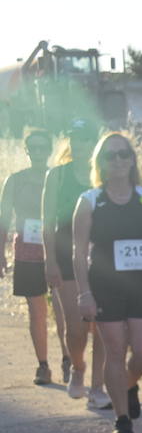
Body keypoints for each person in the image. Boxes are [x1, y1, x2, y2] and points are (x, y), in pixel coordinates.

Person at [71, 133, 142, 433]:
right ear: (100, 163)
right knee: (114, 351)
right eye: (110, 155)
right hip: (105, 287)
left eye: (123, 154)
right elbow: (77, 252)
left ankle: (128, 385)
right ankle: (122, 419)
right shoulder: (89, 200)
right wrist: (84, 293)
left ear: (132, 159)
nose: (117, 160)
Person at [43, 118, 108, 406]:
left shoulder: (105, 177)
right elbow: (47, 222)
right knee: (76, 327)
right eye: (75, 139)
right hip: (65, 257)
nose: (80, 145)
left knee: (104, 326)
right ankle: (78, 369)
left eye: (85, 139)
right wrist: (50, 262)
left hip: (102, 261)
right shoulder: (57, 176)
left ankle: (97, 388)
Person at [0, 128, 62, 384]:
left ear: (49, 150)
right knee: (36, 309)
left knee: (61, 307)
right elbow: (3, 219)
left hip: (57, 249)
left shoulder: (58, 178)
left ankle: (70, 358)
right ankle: (43, 365)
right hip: (27, 249)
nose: (37, 153)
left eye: (42, 148)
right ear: (27, 151)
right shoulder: (15, 180)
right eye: (32, 148)